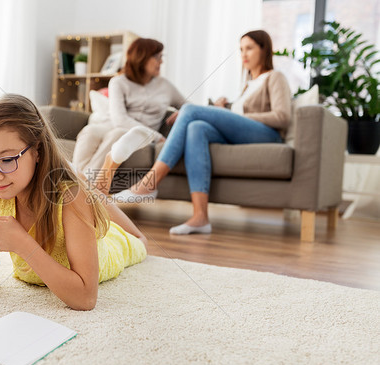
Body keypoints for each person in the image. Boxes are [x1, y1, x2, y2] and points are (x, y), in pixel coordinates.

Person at [0, 94, 147, 311]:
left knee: (140, 240)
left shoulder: (70, 199)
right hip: (73, 208)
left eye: (7, 160)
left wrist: (22, 244)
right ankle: (81, 175)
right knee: (81, 189)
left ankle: (110, 162)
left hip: (109, 246)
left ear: (37, 150)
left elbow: (85, 299)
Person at [114, 30, 292, 235]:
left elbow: (282, 116)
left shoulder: (274, 77)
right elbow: (239, 114)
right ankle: (200, 217)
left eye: (250, 48)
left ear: (264, 50)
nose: (244, 54)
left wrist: (238, 117)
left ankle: (149, 183)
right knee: (195, 128)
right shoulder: (247, 85)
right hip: (243, 132)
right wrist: (225, 109)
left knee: (188, 110)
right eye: (241, 49)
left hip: (267, 134)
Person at [72, 38, 185, 177]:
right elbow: (119, 119)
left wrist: (182, 113)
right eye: (157, 57)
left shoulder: (165, 86)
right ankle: (73, 184)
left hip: (141, 136)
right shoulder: (118, 82)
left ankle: (85, 188)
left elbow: (189, 106)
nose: (161, 61)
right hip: (112, 127)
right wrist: (158, 137)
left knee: (118, 134)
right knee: (89, 131)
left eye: (162, 57)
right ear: (141, 58)